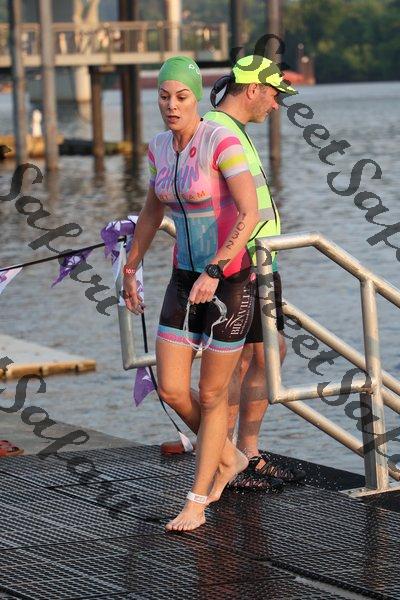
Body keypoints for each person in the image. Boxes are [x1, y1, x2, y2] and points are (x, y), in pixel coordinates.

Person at [123, 56, 260, 531]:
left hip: (229, 281)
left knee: (213, 392)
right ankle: (228, 456)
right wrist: (131, 267)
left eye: (181, 96)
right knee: (172, 389)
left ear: (196, 98)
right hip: (183, 279)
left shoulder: (221, 141)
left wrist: (216, 269)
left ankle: (198, 500)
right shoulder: (159, 147)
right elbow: (150, 212)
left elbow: (250, 213)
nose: (172, 105)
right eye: (164, 96)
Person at [203, 55, 306, 487]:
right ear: (253, 89)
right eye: (274, 95)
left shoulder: (231, 129)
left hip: (260, 261)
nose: (277, 105)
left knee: (265, 354)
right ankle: (225, 458)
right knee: (236, 362)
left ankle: (245, 453)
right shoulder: (216, 131)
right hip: (240, 264)